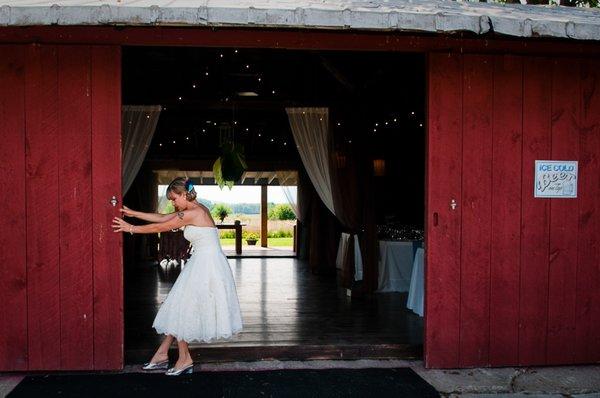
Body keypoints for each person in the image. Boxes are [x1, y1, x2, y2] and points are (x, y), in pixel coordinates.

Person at [112, 177, 243, 376]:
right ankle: (162, 354)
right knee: (179, 305)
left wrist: (130, 228)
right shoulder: (196, 209)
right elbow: (164, 218)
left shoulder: (194, 213)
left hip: (206, 266)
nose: (173, 203)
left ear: (183, 194)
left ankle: (184, 359)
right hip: (203, 262)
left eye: (174, 198)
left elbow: (162, 227)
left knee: (183, 307)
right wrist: (133, 213)